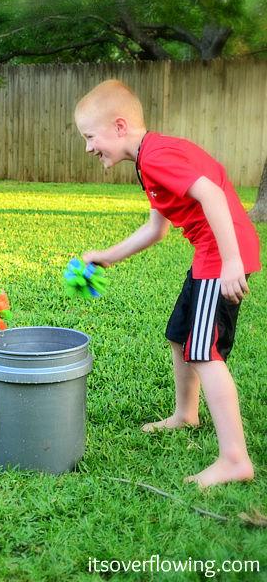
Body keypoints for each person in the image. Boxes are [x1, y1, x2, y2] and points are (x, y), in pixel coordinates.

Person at [75, 79, 261, 487]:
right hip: (209, 254)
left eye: (91, 136)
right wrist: (105, 255)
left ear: (120, 126)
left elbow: (211, 194)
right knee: (181, 335)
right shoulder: (150, 160)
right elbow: (156, 229)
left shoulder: (157, 156)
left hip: (221, 255)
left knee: (205, 352)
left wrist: (231, 263)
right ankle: (185, 414)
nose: (89, 147)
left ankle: (234, 459)